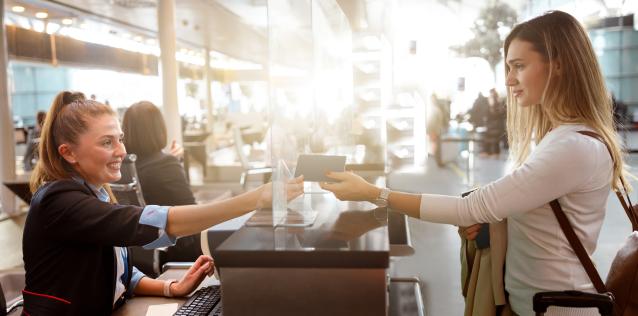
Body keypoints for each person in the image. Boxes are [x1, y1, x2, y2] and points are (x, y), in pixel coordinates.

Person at [320, 11, 625, 316]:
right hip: (533, 303)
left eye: (518, 66)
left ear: (558, 64)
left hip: (558, 309)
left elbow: (468, 209)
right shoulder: (558, 137)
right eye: (508, 68)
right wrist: (494, 222)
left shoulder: (572, 147)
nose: (508, 80)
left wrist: (373, 193)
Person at [23, 91, 303, 315]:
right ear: (68, 153)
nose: (121, 150)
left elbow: (117, 270)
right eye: (107, 142)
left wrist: (171, 288)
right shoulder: (58, 201)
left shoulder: (96, 192)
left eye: (120, 139)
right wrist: (254, 199)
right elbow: (151, 222)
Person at [122, 101, 199, 263]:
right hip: (177, 247)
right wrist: (175, 164)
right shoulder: (166, 164)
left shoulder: (124, 166)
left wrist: (174, 162)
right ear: (159, 129)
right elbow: (192, 211)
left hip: (138, 251)